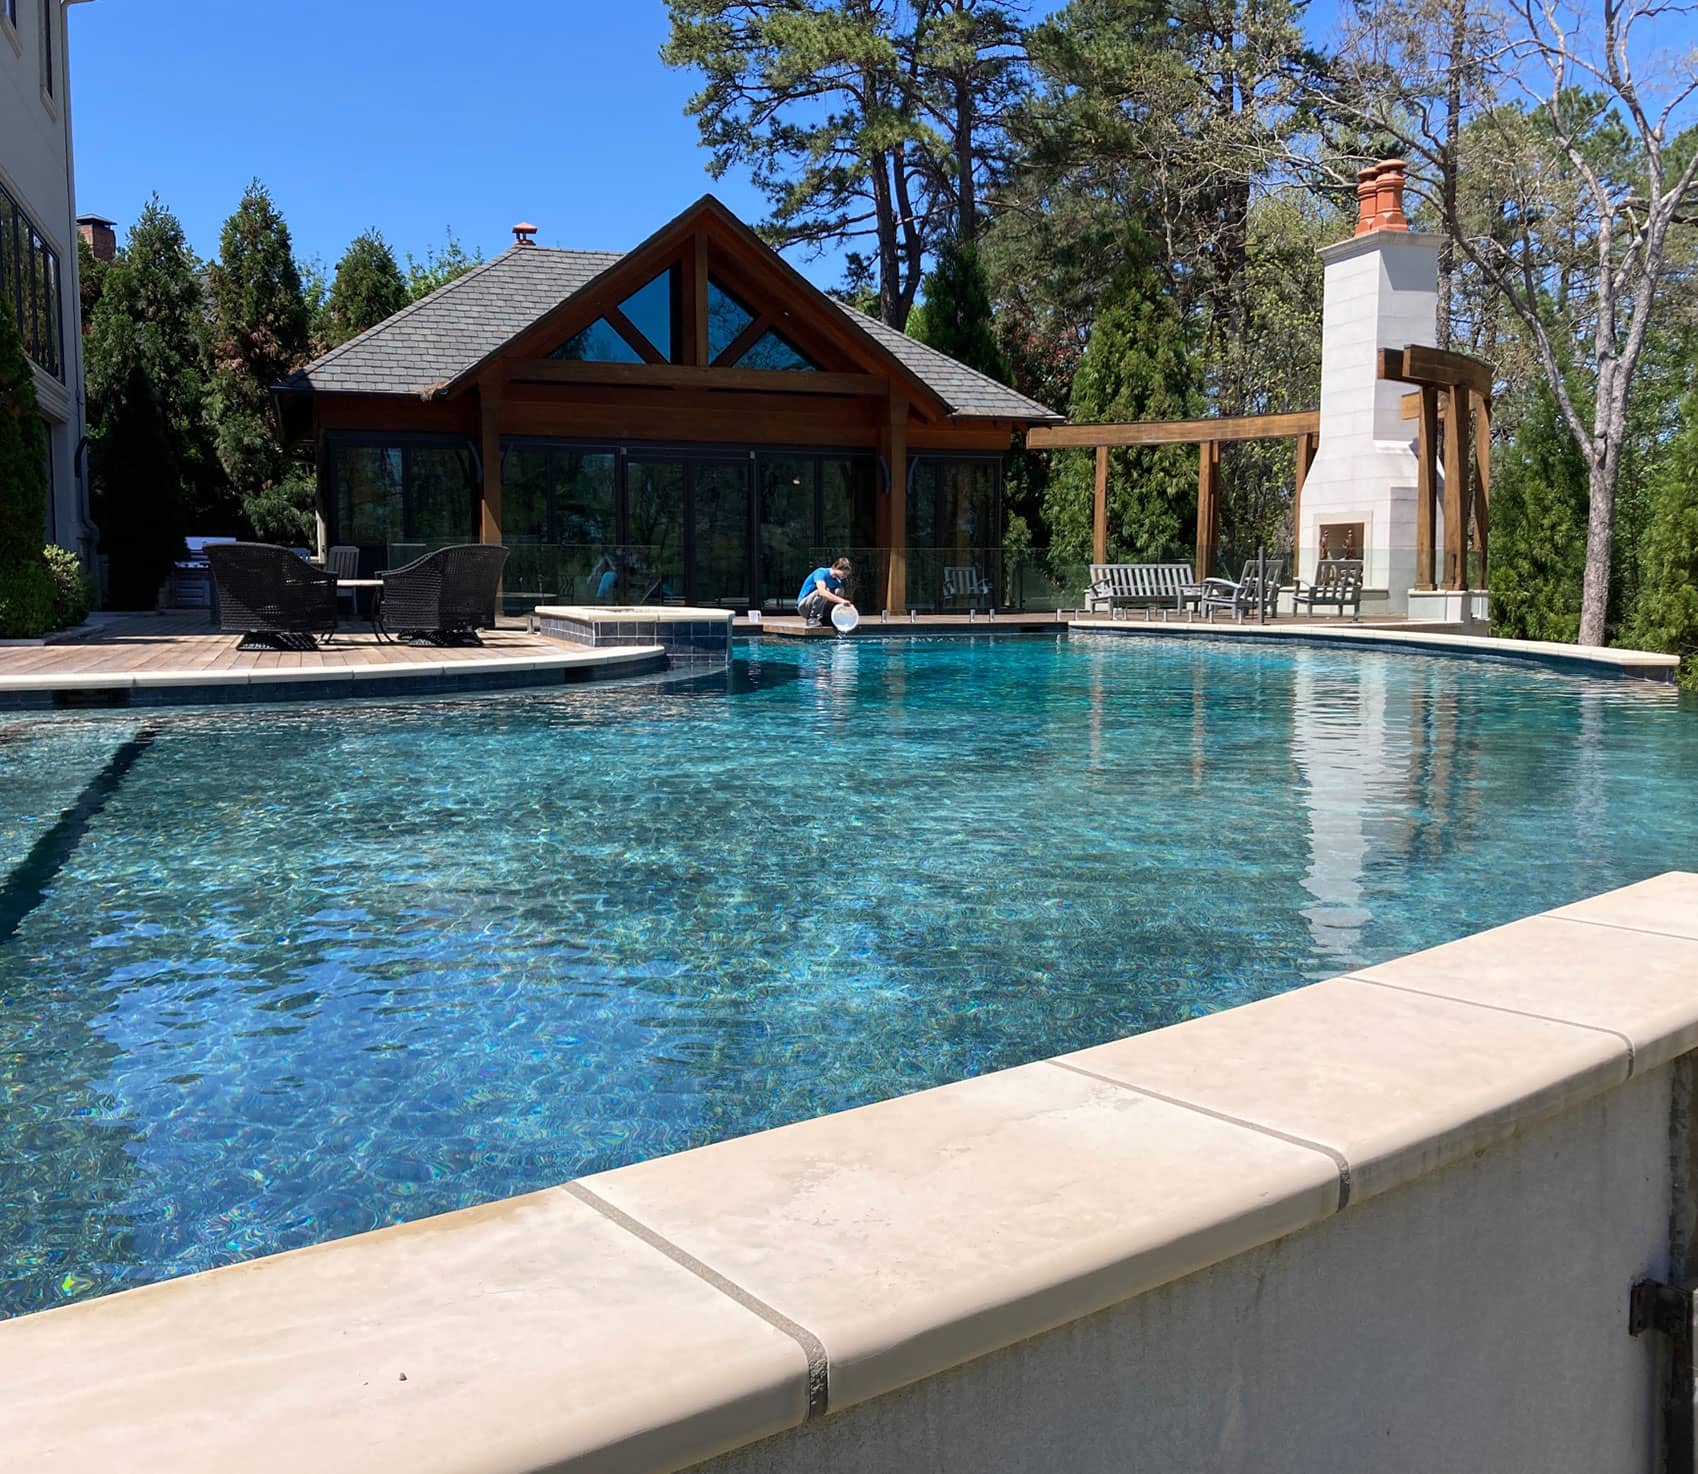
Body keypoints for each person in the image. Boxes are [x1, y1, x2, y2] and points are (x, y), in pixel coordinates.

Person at [797, 557, 855, 626]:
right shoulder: (821, 572)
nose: (845, 576)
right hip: (804, 607)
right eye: (844, 573)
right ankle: (812, 618)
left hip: (821, 609)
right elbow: (822, 592)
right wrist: (841, 601)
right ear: (837, 567)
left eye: (846, 575)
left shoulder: (836, 581)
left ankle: (826, 617)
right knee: (824, 591)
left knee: (840, 590)